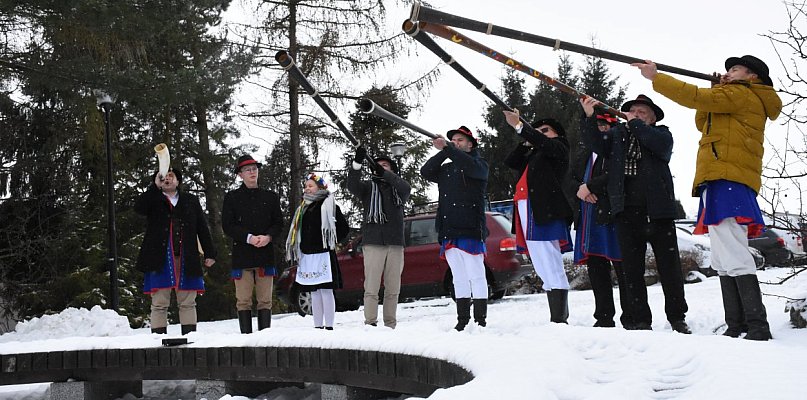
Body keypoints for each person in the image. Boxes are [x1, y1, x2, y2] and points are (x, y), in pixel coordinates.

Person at [634, 55, 782, 340]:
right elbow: (703, 119)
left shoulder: (742, 94)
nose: (728, 72)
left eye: (734, 69)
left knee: (734, 251)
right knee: (722, 255)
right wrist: (716, 90)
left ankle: (757, 326)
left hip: (729, 177)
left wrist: (657, 78)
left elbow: (693, 96)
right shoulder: (733, 95)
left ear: (752, 76)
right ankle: (737, 324)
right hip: (720, 177)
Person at [580, 94, 691, 334]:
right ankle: (641, 319)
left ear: (652, 118)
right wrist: (589, 117)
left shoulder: (662, 134)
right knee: (632, 271)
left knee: (669, 269)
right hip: (627, 212)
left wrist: (635, 124)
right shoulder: (618, 136)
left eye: (643, 113)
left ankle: (677, 316)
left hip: (658, 212)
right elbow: (597, 144)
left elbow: (659, 146)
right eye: (634, 111)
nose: (637, 115)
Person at [502, 112, 574, 324]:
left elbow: (548, 145)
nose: (540, 134)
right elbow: (511, 161)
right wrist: (526, 140)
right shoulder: (534, 151)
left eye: (545, 131)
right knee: (539, 259)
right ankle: (556, 313)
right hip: (526, 207)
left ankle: (560, 317)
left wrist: (523, 129)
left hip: (543, 207)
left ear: (556, 134)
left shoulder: (559, 147)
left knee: (549, 258)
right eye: (538, 131)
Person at [420, 126, 489, 331]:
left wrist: (450, 150)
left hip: (470, 227)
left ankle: (480, 320)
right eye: (454, 140)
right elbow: (426, 171)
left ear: (471, 144)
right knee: (458, 277)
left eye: (460, 140)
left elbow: (470, 166)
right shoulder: (447, 168)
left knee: (476, 275)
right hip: (449, 228)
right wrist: (443, 151)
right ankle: (462, 320)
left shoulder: (479, 164)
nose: (456, 143)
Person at [567, 112, 632, 328]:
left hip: (612, 214)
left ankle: (630, 316)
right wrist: (580, 189)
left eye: (606, 126)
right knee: (596, 269)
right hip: (589, 217)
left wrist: (592, 187)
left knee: (623, 268)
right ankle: (603, 317)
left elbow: (617, 174)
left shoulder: (617, 150)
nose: (602, 130)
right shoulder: (584, 154)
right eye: (598, 126)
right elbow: (571, 178)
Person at [134, 166, 217, 335]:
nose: (167, 178)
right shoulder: (153, 198)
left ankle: (190, 339)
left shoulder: (190, 200)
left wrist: (210, 252)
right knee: (159, 303)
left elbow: (201, 227)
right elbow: (139, 208)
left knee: (188, 302)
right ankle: (157, 342)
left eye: (171, 176)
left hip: (186, 257)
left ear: (178, 181)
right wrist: (154, 187)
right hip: (159, 259)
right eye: (163, 176)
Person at [347, 147, 412, 328]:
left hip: (395, 244)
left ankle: (390, 324)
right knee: (371, 287)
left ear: (392, 170)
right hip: (373, 242)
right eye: (378, 166)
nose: (381, 168)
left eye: (385, 166)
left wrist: (384, 173)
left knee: (393, 288)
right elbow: (352, 185)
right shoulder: (368, 188)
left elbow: (406, 187)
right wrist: (357, 164)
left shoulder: (398, 190)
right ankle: (370, 323)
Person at [222, 155, 284, 334]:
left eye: (255, 169)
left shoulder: (271, 197)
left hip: (265, 254)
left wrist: (268, 237)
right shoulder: (232, 198)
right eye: (248, 170)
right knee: (243, 300)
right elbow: (228, 225)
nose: (252, 172)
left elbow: (278, 223)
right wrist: (248, 237)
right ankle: (245, 337)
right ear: (240, 174)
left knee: (265, 300)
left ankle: (264, 338)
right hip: (242, 255)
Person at [285, 173, 349, 330]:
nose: (307, 189)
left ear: (320, 187)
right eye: (306, 186)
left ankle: (329, 325)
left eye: (310, 186)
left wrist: (330, 240)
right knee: (314, 291)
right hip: (308, 255)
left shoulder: (329, 206)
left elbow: (343, 229)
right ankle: (318, 325)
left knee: (326, 291)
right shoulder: (303, 208)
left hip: (323, 254)